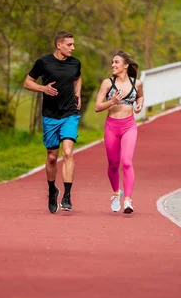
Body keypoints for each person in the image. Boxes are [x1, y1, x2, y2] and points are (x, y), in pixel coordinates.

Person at [24, 31, 82, 213]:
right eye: (69, 45)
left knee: (68, 152)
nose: (73, 47)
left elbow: (78, 77)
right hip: (50, 115)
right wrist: (43, 88)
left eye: (73, 44)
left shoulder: (75, 63)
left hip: (70, 114)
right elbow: (27, 82)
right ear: (59, 45)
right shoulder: (43, 62)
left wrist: (77, 92)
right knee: (51, 156)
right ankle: (52, 190)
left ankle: (67, 195)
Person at [94, 51, 144, 214]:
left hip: (129, 125)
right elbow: (97, 107)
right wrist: (112, 101)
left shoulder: (136, 83)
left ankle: (128, 200)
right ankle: (116, 193)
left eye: (116, 62)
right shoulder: (107, 84)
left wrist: (139, 104)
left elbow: (140, 97)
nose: (113, 65)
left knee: (127, 162)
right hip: (112, 127)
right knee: (113, 164)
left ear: (126, 65)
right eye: (112, 62)